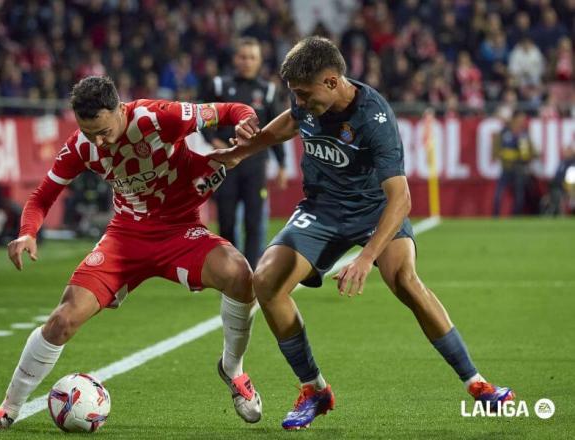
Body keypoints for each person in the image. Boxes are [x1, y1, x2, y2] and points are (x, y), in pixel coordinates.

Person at [211, 36, 514, 430]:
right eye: (295, 94)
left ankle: (478, 385)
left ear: (333, 82)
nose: (299, 101)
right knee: (266, 281)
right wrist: (241, 151)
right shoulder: (305, 98)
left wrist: (367, 257)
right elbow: (289, 123)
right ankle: (314, 390)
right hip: (322, 209)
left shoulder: (374, 119)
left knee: (404, 279)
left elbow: (400, 199)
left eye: (304, 94)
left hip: (375, 211)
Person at [0, 76, 263, 431]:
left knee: (241, 276)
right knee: (62, 320)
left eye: (104, 131)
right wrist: (27, 233)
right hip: (126, 236)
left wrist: (247, 119)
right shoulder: (82, 145)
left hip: (180, 230)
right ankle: (8, 408)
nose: (98, 140)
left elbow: (230, 111)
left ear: (120, 109)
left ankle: (233, 369)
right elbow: (41, 196)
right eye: (88, 131)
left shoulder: (159, 117)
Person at [202, 37, 287, 268]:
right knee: (226, 220)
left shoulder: (268, 91)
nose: (247, 62)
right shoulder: (219, 86)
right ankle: (231, 269)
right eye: (243, 57)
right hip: (226, 165)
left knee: (254, 222)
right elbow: (203, 119)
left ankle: (250, 272)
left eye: (252, 57)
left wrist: (281, 165)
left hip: (255, 164)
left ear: (259, 61)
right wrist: (214, 141)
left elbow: (277, 129)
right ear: (234, 59)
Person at [492, 110, 536, 216]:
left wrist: (530, 155)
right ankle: (495, 216)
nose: (522, 121)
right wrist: (511, 155)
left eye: (523, 119)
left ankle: (515, 217)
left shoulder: (524, 134)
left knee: (519, 196)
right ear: (514, 119)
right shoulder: (504, 132)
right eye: (520, 119)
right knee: (498, 194)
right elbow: (496, 152)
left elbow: (531, 152)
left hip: (519, 169)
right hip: (506, 168)